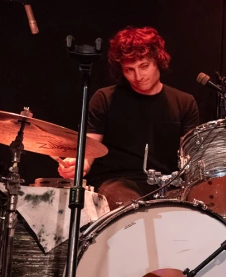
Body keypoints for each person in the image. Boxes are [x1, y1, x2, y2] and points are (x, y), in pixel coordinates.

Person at [57, 26, 200, 208]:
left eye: (144, 66)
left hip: (167, 184)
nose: (138, 76)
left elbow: (190, 159)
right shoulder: (105, 98)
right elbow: (88, 151)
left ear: (158, 60)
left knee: (189, 211)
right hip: (115, 181)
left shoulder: (184, 102)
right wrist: (79, 165)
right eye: (129, 70)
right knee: (131, 210)